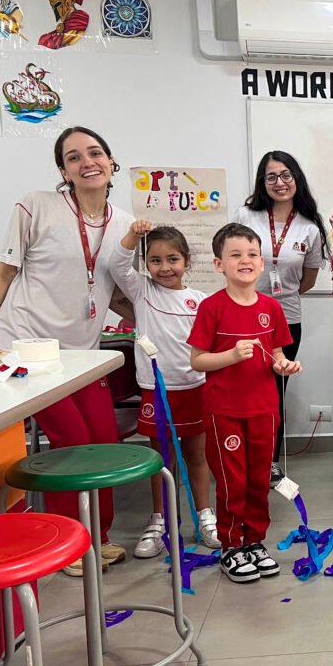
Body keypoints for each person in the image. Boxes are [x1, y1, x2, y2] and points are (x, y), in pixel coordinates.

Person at [0, 125, 135, 577]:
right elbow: (4, 273)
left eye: (95, 152)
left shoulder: (124, 224)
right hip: (26, 349)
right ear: (63, 171)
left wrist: (165, 319)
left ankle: (99, 537)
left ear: (111, 161)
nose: (87, 162)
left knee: (104, 443)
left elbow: (114, 292)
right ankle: (69, 545)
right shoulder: (37, 206)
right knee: (71, 444)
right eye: (73, 157)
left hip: (83, 355)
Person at [188, 223, 301, 584]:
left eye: (252, 254)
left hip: (264, 410)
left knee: (258, 480)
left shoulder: (271, 307)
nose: (245, 260)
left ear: (262, 263)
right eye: (235, 255)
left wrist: (283, 365)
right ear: (219, 264)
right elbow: (197, 360)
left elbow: (276, 353)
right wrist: (231, 356)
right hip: (224, 411)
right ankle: (230, 545)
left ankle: (254, 541)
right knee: (232, 482)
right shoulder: (212, 307)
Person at [112, 222, 218, 556]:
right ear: (146, 264)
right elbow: (117, 264)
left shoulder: (201, 301)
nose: (165, 268)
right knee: (161, 460)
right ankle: (160, 520)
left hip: (194, 387)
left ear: (187, 261)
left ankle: (205, 517)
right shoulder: (142, 291)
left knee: (197, 456)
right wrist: (133, 235)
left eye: (173, 259)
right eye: (155, 261)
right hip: (156, 391)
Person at [234, 150, 327, 484]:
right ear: (263, 182)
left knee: (274, 391)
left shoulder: (309, 226)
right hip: (242, 315)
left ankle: (270, 461)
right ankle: (239, 456)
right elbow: (233, 260)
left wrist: (279, 298)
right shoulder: (246, 215)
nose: (279, 182)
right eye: (271, 176)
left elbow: (309, 279)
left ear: (296, 178)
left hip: (286, 319)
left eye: (286, 175)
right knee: (241, 389)